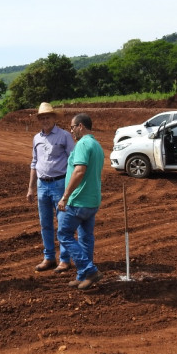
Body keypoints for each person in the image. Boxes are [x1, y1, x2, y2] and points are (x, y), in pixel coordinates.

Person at [57, 113, 105, 291]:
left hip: (78, 201)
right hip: (92, 201)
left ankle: (89, 270)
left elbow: (79, 171)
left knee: (64, 235)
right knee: (85, 238)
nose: (71, 131)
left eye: (72, 127)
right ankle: (82, 276)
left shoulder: (83, 144)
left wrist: (65, 196)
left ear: (80, 126)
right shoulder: (96, 145)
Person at [27, 102, 76, 273]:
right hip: (42, 185)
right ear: (39, 120)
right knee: (45, 223)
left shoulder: (64, 136)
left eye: (48, 117)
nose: (45, 120)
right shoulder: (36, 138)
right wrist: (31, 188)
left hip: (59, 183)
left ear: (54, 118)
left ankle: (64, 260)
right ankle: (49, 257)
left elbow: (74, 161)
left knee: (63, 224)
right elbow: (34, 163)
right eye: (42, 118)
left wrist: (71, 186)